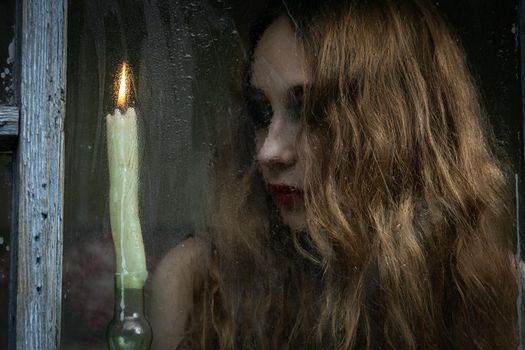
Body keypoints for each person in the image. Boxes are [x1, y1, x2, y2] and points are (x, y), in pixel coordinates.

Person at [151, 0, 520, 349]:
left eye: (310, 112)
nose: (268, 152)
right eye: (262, 111)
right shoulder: (196, 283)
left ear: (395, 129)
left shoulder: (499, 290)